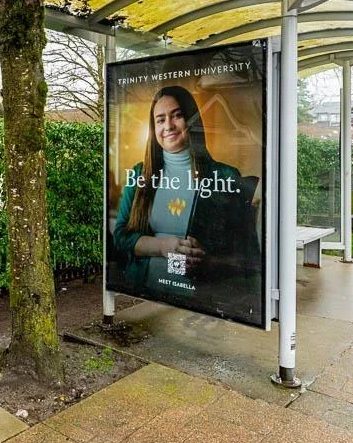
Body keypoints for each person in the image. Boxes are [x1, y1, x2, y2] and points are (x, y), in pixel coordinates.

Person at [111, 85, 260, 315]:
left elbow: (245, 256)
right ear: (153, 128)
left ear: (192, 120)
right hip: (147, 298)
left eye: (177, 115)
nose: (168, 126)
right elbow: (120, 238)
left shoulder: (225, 176)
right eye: (160, 120)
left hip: (200, 302)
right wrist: (163, 247)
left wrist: (209, 261)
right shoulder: (140, 174)